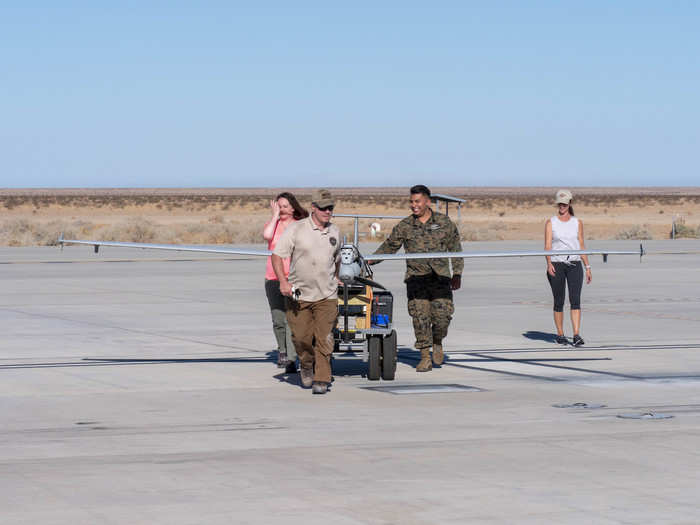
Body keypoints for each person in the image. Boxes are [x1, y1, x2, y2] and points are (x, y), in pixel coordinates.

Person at [371, 185, 463, 372]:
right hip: (416, 280)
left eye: (417, 202)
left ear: (428, 202)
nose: (414, 205)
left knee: (442, 318)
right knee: (420, 318)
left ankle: (437, 341)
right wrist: (369, 261)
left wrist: (457, 273)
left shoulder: (445, 223)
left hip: (440, 280)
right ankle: (424, 356)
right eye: (411, 202)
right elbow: (389, 247)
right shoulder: (405, 226)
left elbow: (456, 248)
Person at [271, 189, 341, 395]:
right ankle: (307, 364)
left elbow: (336, 259)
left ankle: (322, 378)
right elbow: (277, 256)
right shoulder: (296, 229)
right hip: (298, 295)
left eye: (331, 208)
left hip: (327, 295)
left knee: (325, 338)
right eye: (323, 208)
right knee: (301, 338)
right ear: (313, 208)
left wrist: (337, 277)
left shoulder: (335, 232)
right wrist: (283, 282)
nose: (328, 212)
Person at [262, 192, 308, 373]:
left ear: (293, 208)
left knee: (293, 318)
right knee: (278, 318)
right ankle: (282, 350)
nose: (281, 209)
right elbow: (266, 236)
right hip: (273, 278)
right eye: (278, 206)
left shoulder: (300, 226)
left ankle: (291, 356)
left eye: (285, 206)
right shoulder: (274, 225)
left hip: (295, 279)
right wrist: (274, 217)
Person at [545, 189, 592, 347]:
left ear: (570, 204)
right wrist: (549, 263)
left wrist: (587, 266)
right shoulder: (551, 222)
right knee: (559, 301)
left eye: (565, 203)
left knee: (575, 300)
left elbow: (581, 245)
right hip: (557, 264)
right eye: (560, 203)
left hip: (574, 264)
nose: (562, 206)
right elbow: (547, 246)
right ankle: (560, 334)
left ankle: (576, 334)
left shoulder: (577, 222)